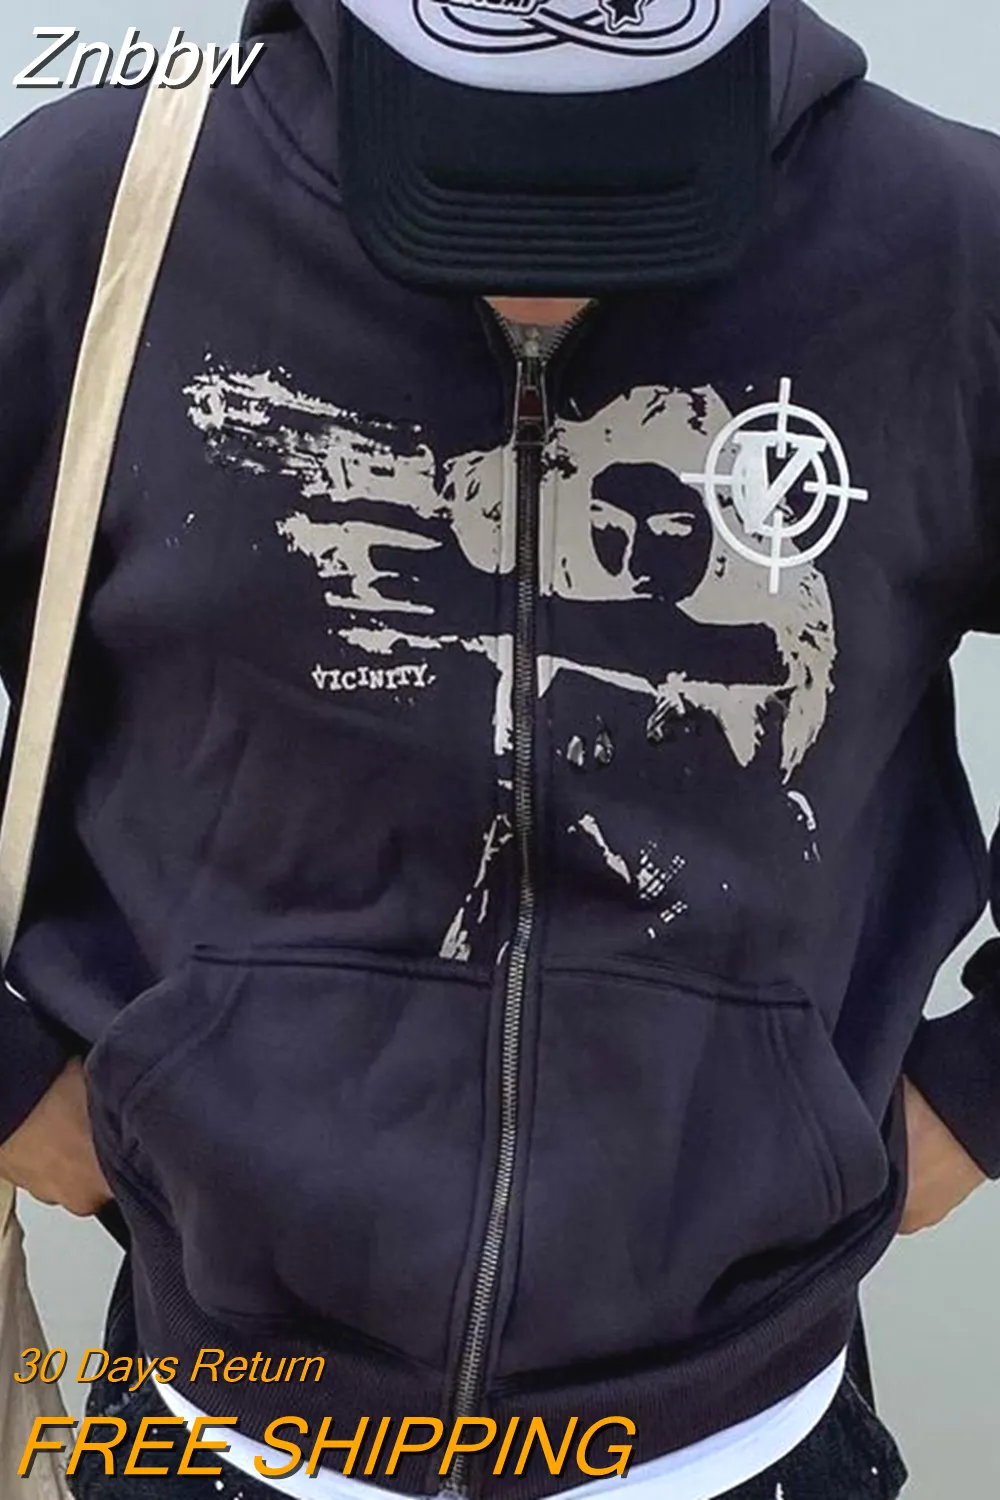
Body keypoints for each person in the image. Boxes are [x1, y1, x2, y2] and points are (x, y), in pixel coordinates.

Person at [0, 0, 997, 1496]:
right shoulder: (96, 216)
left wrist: (977, 1095)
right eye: (473, 189)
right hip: (222, 1423)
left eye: (624, 190)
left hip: (752, 1437)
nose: (547, 267)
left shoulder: (948, 244)